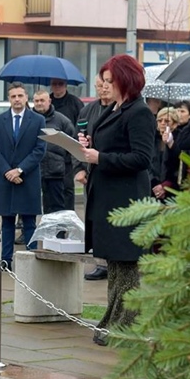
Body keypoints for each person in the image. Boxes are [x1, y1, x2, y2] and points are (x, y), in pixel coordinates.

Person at [77, 55, 154, 346]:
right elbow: (111, 143)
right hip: (107, 197)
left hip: (126, 200)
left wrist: (101, 157)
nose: (105, 86)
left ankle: (124, 324)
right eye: (104, 81)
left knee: (126, 265)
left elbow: (142, 157)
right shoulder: (115, 109)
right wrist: (89, 146)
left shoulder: (139, 112)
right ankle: (113, 320)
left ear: (126, 80)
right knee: (115, 265)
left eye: (110, 81)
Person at [0, 83, 46, 268]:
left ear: (26, 97)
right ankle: (6, 260)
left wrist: (19, 170)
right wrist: (7, 171)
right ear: (9, 99)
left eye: (20, 95)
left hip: (27, 178)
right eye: (13, 96)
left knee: (29, 221)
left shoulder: (37, 120)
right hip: (5, 179)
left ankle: (30, 260)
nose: (17, 99)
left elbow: (39, 150)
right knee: (6, 222)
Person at [75, 74, 112, 280]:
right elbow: (78, 142)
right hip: (90, 172)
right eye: (99, 86)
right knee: (93, 217)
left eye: (106, 85)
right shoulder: (87, 110)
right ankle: (99, 261)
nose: (103, 89)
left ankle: (110, 261)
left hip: (108, 170)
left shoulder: (118, 109)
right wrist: (79, 169)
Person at [32, 90, 74, 214]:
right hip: (33, 171)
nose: (39, 103)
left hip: (56, 173)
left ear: (49, 101)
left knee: (57, 208)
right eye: (36, 101)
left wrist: (63, 163)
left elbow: (72, 143)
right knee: (30, 208)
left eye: (42, 100)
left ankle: (59, 232)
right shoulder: (29, 119)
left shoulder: (62, 120)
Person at [50, 78, 84, 210]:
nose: (57, 87)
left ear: (65, 85)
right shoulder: (46, 101)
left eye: (60, 84)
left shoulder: (75, 103)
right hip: (50, 155)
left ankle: (68, 223)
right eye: (55, 84)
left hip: (68, 156)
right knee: (50, 194)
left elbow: (82, 125)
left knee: (67, 191)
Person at [151, 107, 180, 200]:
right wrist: (155, 184)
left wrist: (171, 144)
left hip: (172, 189)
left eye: (167, 121)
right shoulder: (151, 139)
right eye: (159, 120)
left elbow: (178, 165)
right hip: (152, 187)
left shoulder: (180, 139)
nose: (162, 123)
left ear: (175, 124)